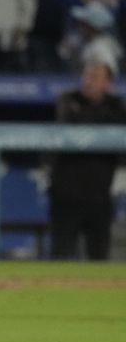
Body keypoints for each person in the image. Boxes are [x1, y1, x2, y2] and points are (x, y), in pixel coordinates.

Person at [48, 51, 125, 260]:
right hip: (66, 193)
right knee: (61, 255)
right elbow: (68, 123)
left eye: (96, 77)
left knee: (99, 257)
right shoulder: (68, 99)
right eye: (87, 75)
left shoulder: (117, 105)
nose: (89, 81)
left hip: (99, 195)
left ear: (108, 83)